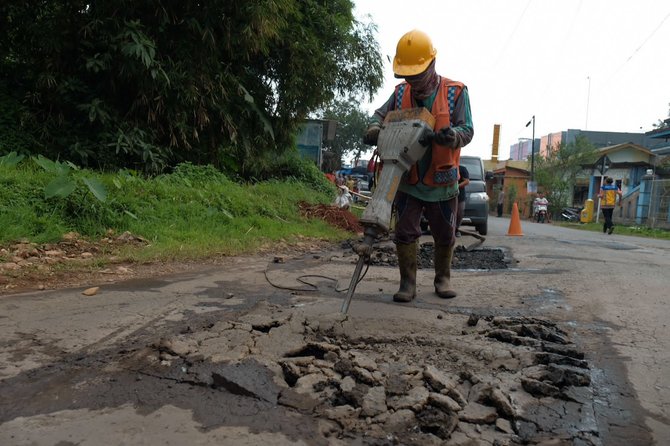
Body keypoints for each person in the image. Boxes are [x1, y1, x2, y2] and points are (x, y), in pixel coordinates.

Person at [362, 29, 474, 302]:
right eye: (407, 76)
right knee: (404, 232)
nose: (413, 80)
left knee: (444, 233)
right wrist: (375, 129)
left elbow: (467, 130)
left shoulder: (455, 92)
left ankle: (442, 279)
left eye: (417, 74)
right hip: (408, 178)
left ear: (432, 64)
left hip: (442, 179)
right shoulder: (400, 95)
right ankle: (407, 284)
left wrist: (453, 137)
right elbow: (379, 116)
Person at [455, 164, 470, 236]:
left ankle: (456, 229)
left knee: (460, 212)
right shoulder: (447, 168)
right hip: (446, 194)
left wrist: (457, 186)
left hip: (459, 195)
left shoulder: (462, 168)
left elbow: (466, 181)